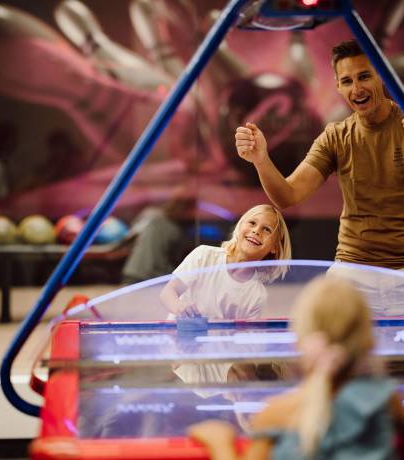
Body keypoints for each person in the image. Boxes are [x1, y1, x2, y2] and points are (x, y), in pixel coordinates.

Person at [189, 276, 404, 459]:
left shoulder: (276, 415)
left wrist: (221, 443)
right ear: (367, 339)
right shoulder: (385, 402)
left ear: (300, 340)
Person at [235, 39, 404, 270]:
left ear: (381, 75)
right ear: (338, 86)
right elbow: (288, 196)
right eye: (347, 81)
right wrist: (261, 159)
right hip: (353, 264)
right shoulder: (336, 136)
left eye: (364, 76)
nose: (356, 89)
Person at [160, 204, 291, 320]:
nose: (256, 231)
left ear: (275, 247)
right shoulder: (205, 255)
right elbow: (167, 293)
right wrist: (180, 307)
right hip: (175, 341)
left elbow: (245, 342)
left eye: (267, 229)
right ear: (240, 226)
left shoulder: (256, 296)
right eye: (252, 223)